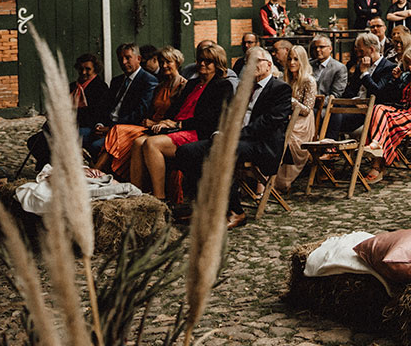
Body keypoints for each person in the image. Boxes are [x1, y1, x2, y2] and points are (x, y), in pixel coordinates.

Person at [177, 46, 293, 229]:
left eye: (256, 61)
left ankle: (236, 211)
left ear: (268, 65)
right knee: (186, 152)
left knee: (222, 152)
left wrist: (233, 136)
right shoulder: (243, 88)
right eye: (248, 62)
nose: (251, 65)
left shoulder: (281, 89)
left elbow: (268, 123)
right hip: (235, 140)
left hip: (262, 144)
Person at [128, 43, 233, 201]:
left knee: (152, 144)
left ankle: (159, 198)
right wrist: (165, 121)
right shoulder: (192, 84)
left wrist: (178, 125)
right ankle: (137, 196)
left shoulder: (223, 86)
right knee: (137, 142)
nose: (202, 64)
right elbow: (175, 110)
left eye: (208, 61)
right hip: (176, 128)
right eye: (200, 60)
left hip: (197, 132)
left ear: (217, 64)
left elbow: (211, 119)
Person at [94, 47, 187, 179]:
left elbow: (178, 116)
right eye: (161, 62)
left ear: (177, 63)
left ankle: (95, 172)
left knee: (118, 130)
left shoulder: (184, 85)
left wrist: (156, 123)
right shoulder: (160, 85)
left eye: (168, 62)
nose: (164, 65)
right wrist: (149, 121)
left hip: (165, 129)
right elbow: (149, 110)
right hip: (149, 126)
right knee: (119, 133)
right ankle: (97, 173)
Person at [360, 43, 411, 183]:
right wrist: (395, 80)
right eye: (406, 62)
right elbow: (391, 97)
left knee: (387, 122)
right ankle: (376, 143)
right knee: (378, 108)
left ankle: (377, 166)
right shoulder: (405, 76)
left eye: (410, 62)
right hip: (402, 112)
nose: (408, 65)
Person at [83, 43, 159, 156]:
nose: (123, 62)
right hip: (106, 126)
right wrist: (99, 124)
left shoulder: (148, 81)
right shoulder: (117, 81)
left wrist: (112, 128)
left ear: (138, 59)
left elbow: (140, 112)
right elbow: (104, 107)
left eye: (128, 58)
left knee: (96, 146)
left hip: (125, 129)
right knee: (78, 135)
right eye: (120, 59)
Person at [278, 44, 319, 191]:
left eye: (296, 59)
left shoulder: (309, 80)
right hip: (288, 117)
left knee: (286, 136)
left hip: (303, 122)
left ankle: (282, 179)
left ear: (302, 60)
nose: (292, 62)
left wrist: (291, 100)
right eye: (289, 59)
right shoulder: (286, 79)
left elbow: (307, 110)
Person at [70, 53, 108, 147]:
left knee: (62, 137)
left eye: (88, 69)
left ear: (95, 69)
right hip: (70, 125)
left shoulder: (100, 87)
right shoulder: (73, 87)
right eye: (81, 69)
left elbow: (97, 115)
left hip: (89, 127)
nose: (83, 72)